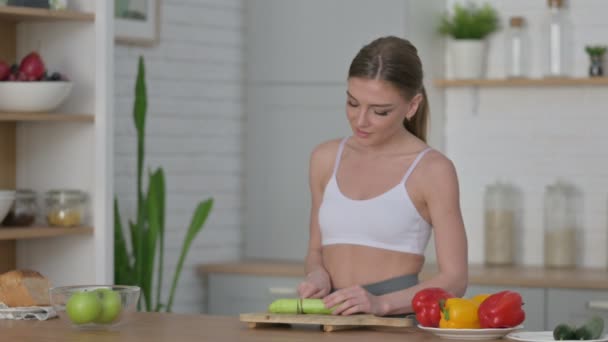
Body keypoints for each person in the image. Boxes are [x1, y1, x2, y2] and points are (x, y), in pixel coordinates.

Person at [297, 36, 468, 317]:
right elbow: (316, 250)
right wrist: (317, 275)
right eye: (353, 103)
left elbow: (454, 280)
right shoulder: (325, 158)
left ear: (412, 106)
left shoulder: (432, 170)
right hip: (331, 322)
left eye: (379, 111)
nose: (360, 120)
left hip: (395, 324)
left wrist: (381, 304)